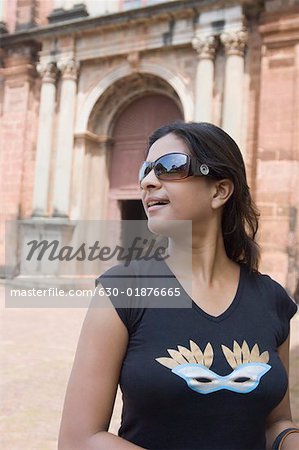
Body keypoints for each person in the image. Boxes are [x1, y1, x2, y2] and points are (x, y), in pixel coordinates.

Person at [58, 122, 298, 450]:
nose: (147, 181)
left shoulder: (272, 300)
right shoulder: (123, 290)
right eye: (146, 170)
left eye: (168, 166)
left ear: (219, 191)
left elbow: (276, 423)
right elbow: (79, 440)